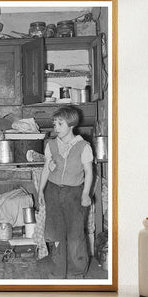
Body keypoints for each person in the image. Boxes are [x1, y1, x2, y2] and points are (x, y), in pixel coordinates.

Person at [37, 106, 93, 279]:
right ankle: (58, 271)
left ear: (71, 124)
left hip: (74, 194)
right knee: (55, 234)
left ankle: (77, 272)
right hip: (52, 192)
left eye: (60, 124)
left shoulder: (83, 146)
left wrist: (85, 194)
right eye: (54, 124)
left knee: (75, 235)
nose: (56, 127)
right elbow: (46, 169)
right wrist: (40, 191)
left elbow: (89, 173)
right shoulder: (51, 145)